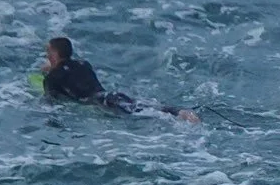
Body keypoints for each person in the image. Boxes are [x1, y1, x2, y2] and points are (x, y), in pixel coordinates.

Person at [39, 37, 201, 122]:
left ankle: (179, 115)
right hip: (110, 95)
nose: (46, 55)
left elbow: (51, 103)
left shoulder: (52, 78)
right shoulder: (84, 64)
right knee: (142, 107)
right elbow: (71, 71)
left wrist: (48, 75)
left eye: (48, 52)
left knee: (142, 114)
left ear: (53, 55)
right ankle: (180, 112)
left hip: (100, 104)